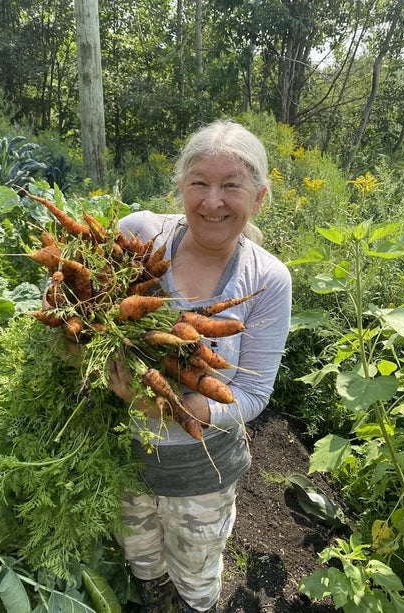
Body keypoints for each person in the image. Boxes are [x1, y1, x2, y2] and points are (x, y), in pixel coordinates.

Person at [108, 119, 292, 613]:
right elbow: (86, 309)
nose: (212, 202)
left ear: (259, 197)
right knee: (141, 558)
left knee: (196, 575)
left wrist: (169, 407)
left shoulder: (268, 279)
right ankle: (153, 596)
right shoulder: (139, 234)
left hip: (201, 471)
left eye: (231, 186)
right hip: (121, 457)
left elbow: (253, 396)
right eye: (199, 184)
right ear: (180, 187)